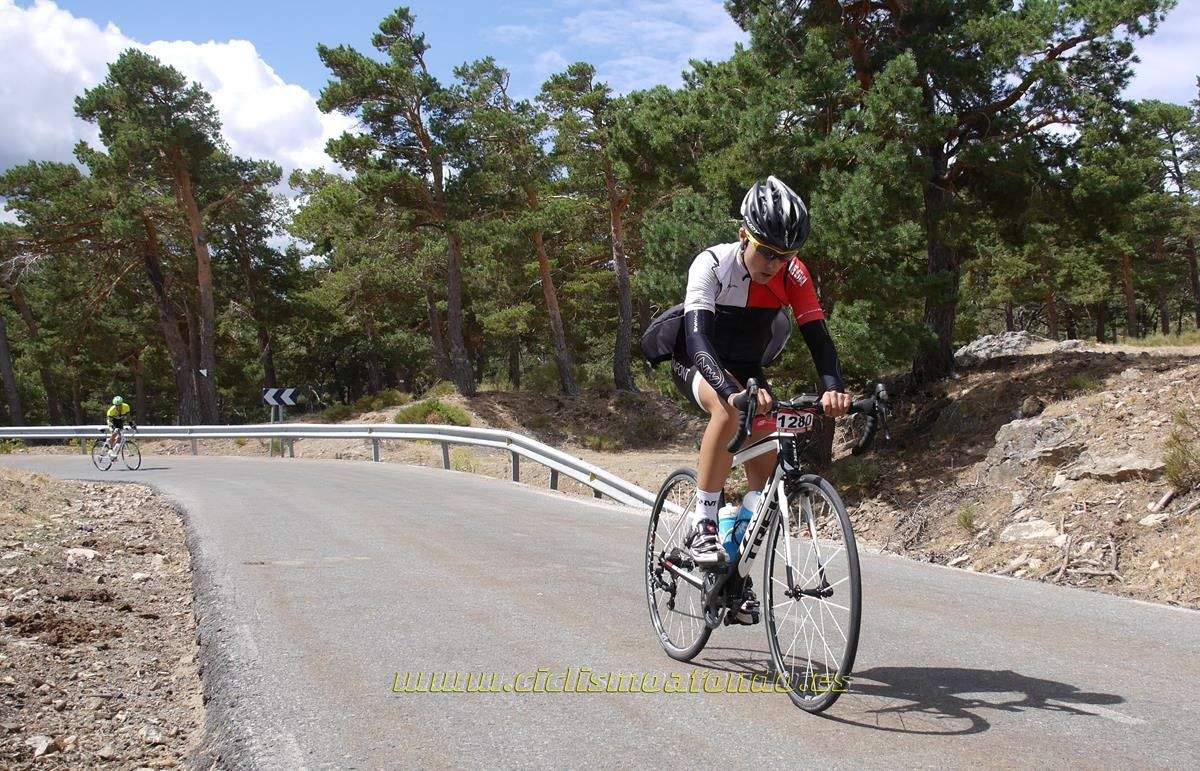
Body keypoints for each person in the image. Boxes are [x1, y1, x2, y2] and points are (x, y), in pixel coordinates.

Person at [671, 176, 850, 623]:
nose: (774, 263)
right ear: (743, 235)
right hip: (697, 360)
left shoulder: (793, 274)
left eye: (785, 254)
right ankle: (705, 524)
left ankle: (734, 573)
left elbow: (818, 338)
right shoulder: (711, 264)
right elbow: (696, 339)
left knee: (764, 480)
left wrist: (833, 387)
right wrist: (729, 390)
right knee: (728, 409)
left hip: (748, 371)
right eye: (765, 250)